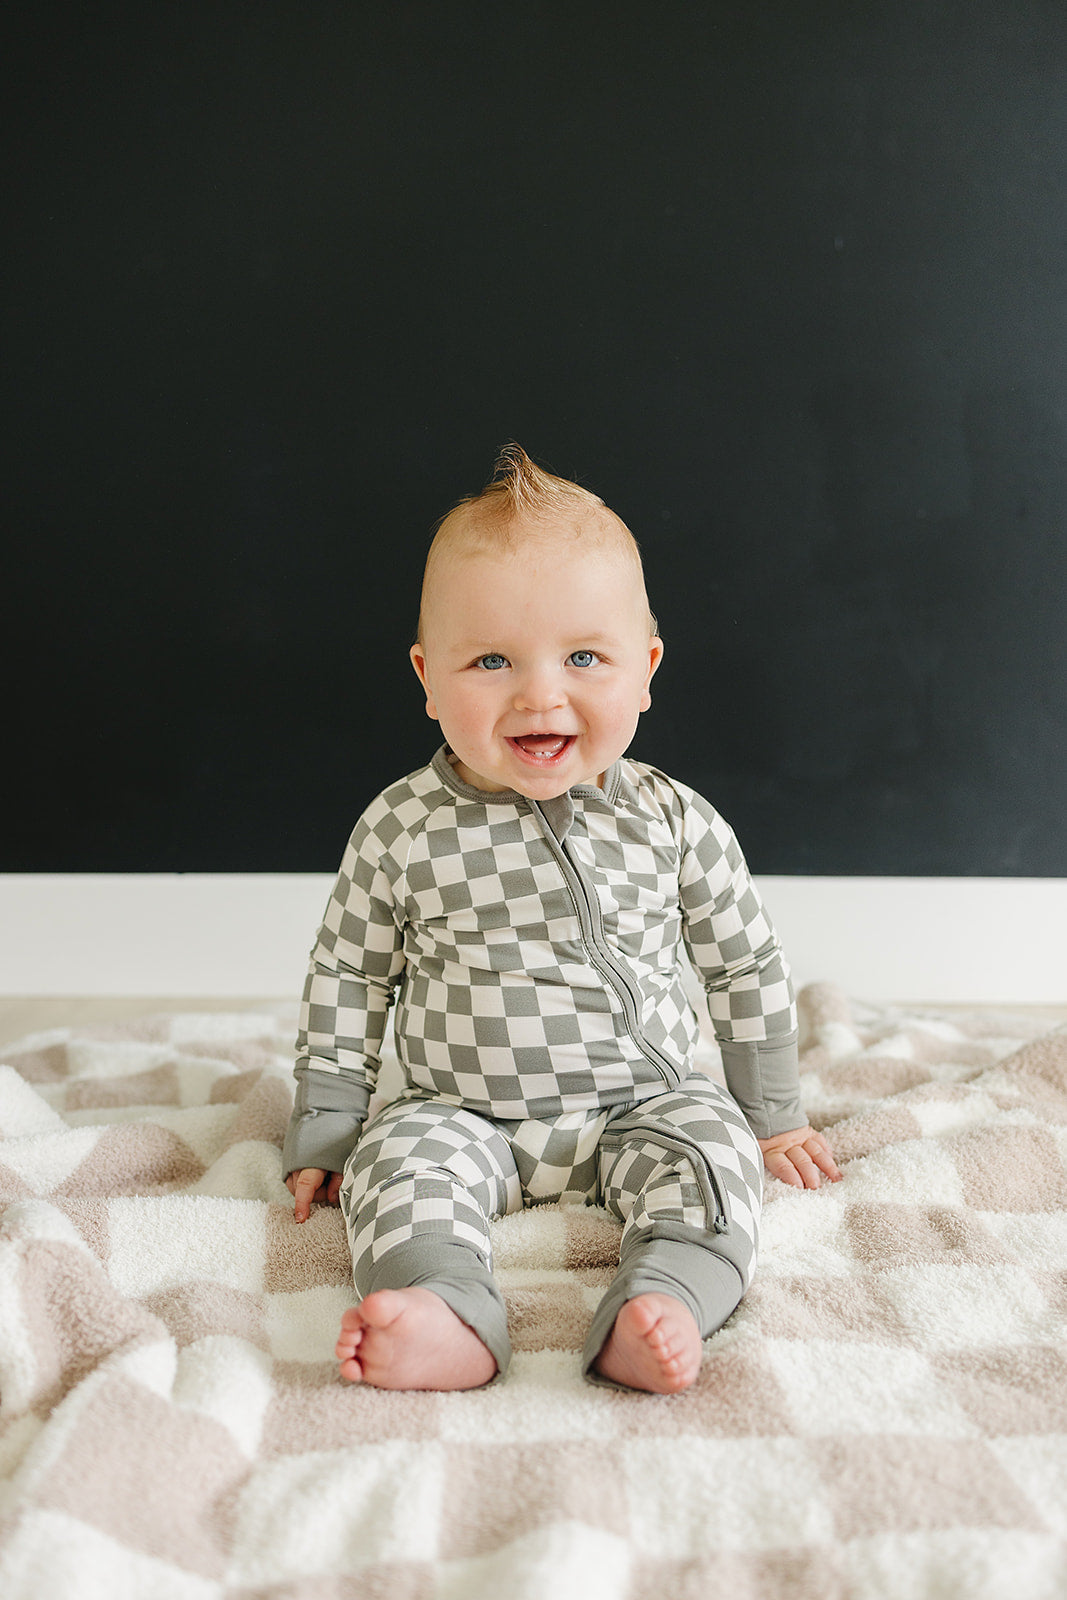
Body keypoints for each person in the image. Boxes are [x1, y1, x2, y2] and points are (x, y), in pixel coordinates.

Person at [283, 444, 840, 1395]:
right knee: (397, 1174)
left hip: (644, 1101)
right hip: (457, 1109)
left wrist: (771, 1117)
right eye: (490, 659)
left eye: (584, 657)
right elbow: (349, 977)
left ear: (646, 668)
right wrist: (330, 1132)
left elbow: (743, 968)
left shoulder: (671, 820)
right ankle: (442, 1311)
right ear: (426, 676)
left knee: (716, 1166)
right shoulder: (402, 827)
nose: (541, 693)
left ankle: (660, 1300)